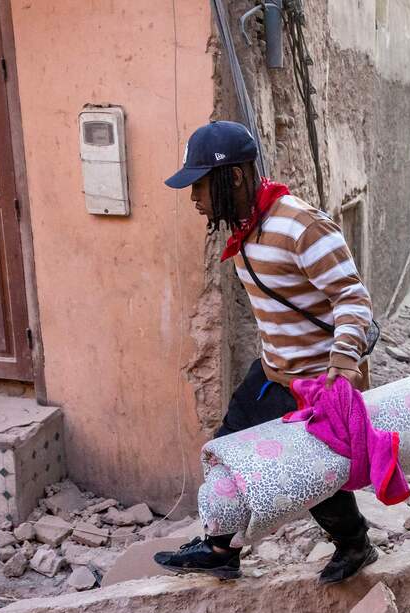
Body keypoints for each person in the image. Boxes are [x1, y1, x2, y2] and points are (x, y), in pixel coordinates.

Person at [156, 121, 378, 584]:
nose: (194, 199)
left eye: (199, 185)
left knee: (311, 475)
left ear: (234, 177)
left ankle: (354, 545)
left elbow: (352, 298)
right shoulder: (246, 230)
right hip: (272, 371)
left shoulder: (301, 226)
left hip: (316, 381)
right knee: (225, 449)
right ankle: (221, 548)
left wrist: (343, 361)